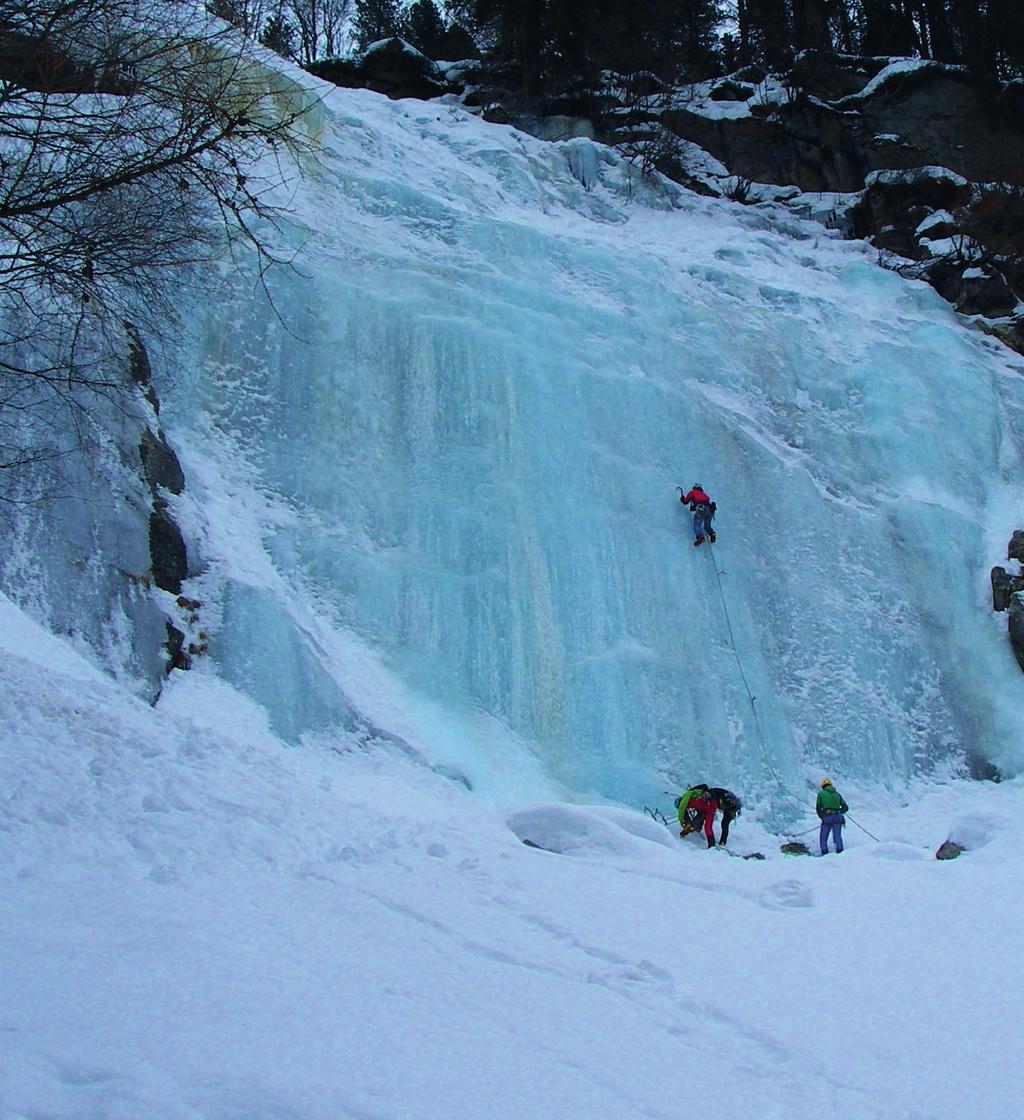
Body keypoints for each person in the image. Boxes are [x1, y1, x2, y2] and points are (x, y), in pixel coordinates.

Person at [816, 778, 849, 855]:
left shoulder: (821, 794)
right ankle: (840, 851)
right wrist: (839, 811)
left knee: (823, 838)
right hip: (838, 817)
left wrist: (822, 816)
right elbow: (846, 807)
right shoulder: (837, 794)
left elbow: (818, 807)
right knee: (837, 836)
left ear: (823, 786)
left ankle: (825, 853)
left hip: (827, 818)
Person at [679, 483, 716, 547]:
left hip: (701, 509)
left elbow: (685, 501)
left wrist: (682, 498)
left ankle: (700, 537)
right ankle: (712, 533)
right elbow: (703, 501)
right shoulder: (705, 495)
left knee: (697, 524)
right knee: (707, 526)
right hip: (709, 510)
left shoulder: (692, 492)